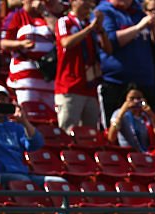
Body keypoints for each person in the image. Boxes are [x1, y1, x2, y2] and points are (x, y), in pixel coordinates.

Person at [96, 0, 155, 127]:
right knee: (114, 127)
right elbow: (111, 42)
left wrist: (154, 23)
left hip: (144, 81)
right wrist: (139, 27)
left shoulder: (139, 9)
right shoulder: (105, 10)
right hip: (116, 82)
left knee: (149, 129)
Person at [0, 84, 49, 184]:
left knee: (58, 182)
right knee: (23, 182)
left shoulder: (14, 125)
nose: (1, 102)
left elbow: (36, 144)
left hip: (22, 173)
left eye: (4, 99)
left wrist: (24, 122)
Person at [54, 0, 109, 131]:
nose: (88, 4)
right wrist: (89, 29)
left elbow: (108, 49)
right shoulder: (65, 21)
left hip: (89, 86)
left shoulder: (88, 25)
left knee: (90, 133)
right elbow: (66, 42)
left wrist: (100, 30)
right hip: (70, 85)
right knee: (68, 130)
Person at [1, 0, 56, 109]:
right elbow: (4, 43)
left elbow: (59, 32)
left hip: (48, 78)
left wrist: (44, 12)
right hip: (25, 79)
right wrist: (20, 44)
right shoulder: (16, 16)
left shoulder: (48, 16)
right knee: (28, 113)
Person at [108, 86, 155, 150]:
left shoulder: (146, 115)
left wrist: (151, 114)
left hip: (146, 153)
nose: (135, 101)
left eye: (138, 98)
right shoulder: (119, 113)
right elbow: (111, 137)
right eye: (132, 98)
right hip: (128, 154)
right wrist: (121, 114)